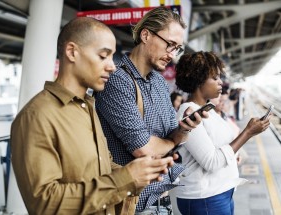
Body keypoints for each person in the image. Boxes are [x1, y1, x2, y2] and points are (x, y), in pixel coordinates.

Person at [10, 17, 177, 215]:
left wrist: (141, 172)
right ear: (72, 52)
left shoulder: (87, 107)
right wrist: (125, 179)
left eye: (112, 57)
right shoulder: (36, 116)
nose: (112, 66)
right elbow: (44, 202)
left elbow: (101, 169)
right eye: (103, 56)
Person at [95, 7, 207, 215]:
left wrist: (184, 129)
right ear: (146, 35)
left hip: (163, 200)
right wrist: (173, 140)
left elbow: (173, 136)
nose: (172, 55)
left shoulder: (159, 81)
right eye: (170, 45)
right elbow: (144, 149)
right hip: (134, 205)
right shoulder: (118, 81)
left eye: (178, 49)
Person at [171, 51, 270, 215]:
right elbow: (211, 162)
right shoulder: (188, 113)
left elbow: (223, 146)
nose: (221, 83)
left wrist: (234, 153)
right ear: (199, 80)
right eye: (215, 78)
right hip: (205, 199)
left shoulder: (209, 110)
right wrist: (248, 132)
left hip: (221, 193)